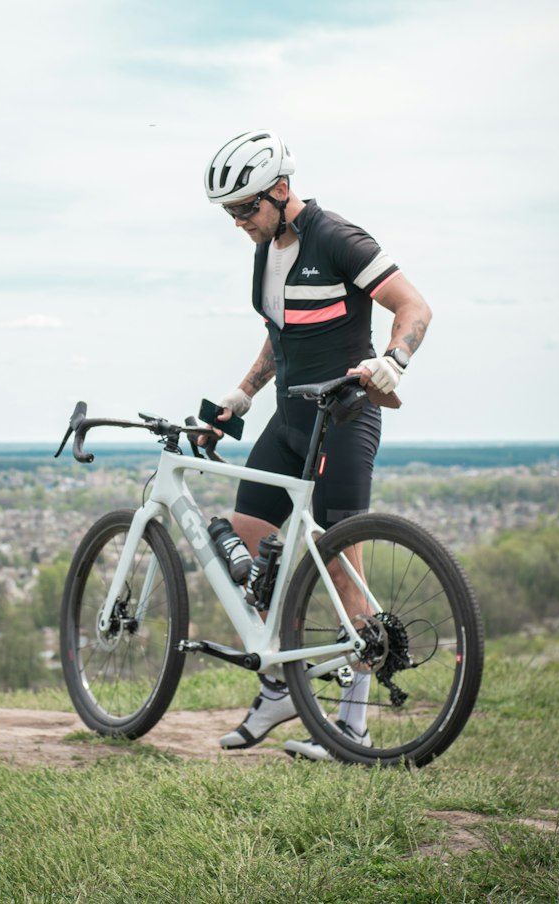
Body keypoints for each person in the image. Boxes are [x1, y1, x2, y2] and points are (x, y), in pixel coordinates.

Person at [202, 130, 432, 761]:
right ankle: (279, 685)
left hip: (344, 417)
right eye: (231, 213)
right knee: (245, 540)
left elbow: (413, 306)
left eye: (247, 208)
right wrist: (244, 393)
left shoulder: (337, 238)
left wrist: (395, 360)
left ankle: (352, 726)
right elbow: (281, 335)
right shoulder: (266, 252)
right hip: (288, 420)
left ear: (280, 189)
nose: (240, 222)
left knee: (338, 564)